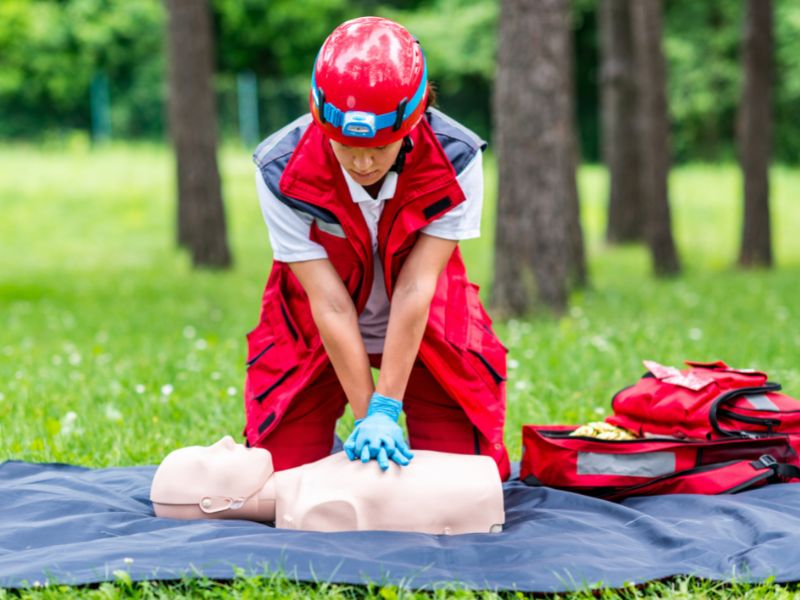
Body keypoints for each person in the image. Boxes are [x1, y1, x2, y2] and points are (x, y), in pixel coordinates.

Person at [245, 16, 510, 480]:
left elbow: (416, 288)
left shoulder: (458, 157)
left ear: (412, 122)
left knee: (470, 483)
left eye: (380, 148)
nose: (363, 162)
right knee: (277, 481)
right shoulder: (278, 169)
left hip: (429, 328)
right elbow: (328, 303)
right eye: (346, 146)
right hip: (313, 331)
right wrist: (368, 417)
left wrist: (386, 407)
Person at [150, 435, 505, 534]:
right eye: (207, 458)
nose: (225, 440)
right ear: (213, 503)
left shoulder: (309, 482)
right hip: (480, 496)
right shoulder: (320, 506)